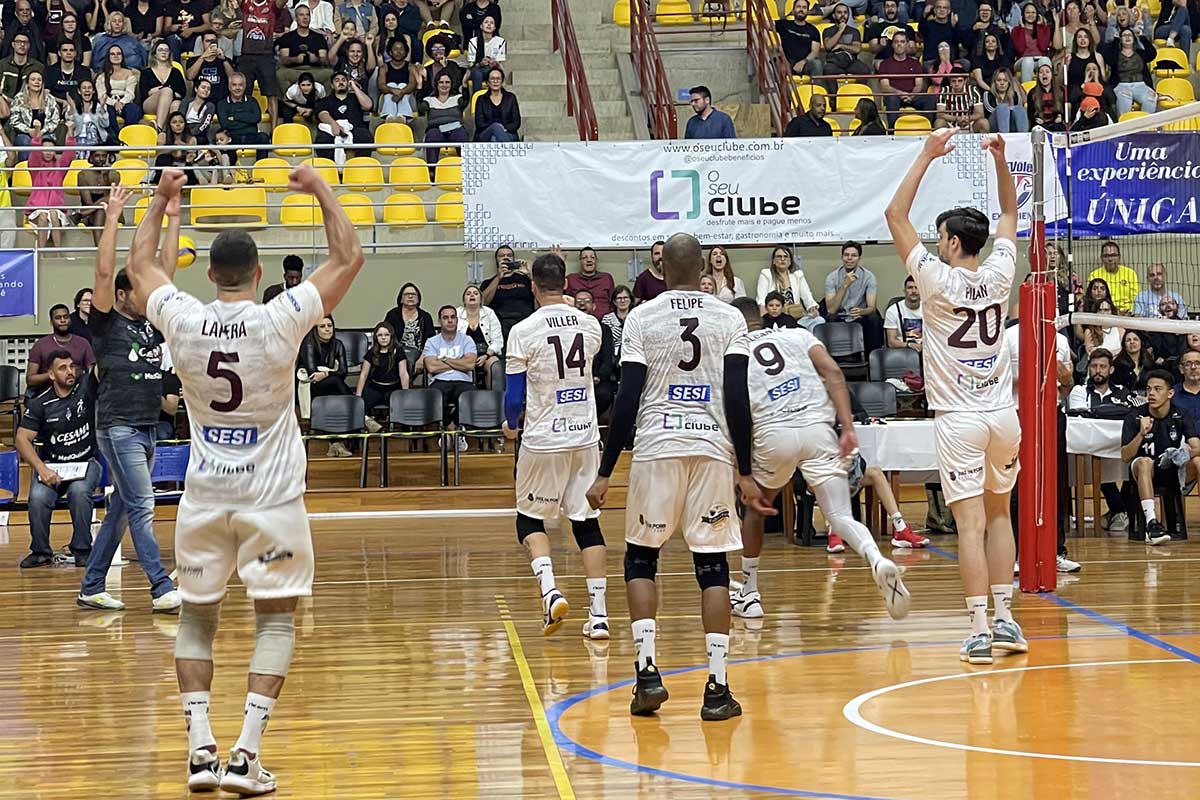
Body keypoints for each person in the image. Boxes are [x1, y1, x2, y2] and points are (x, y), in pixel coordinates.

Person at [124, 164, 364, 795]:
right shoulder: (281, 317)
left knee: (196, 623)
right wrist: (317, 188)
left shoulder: (181, 317)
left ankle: (201, 750)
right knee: (276, 623)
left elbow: (140, 268)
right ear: (259, 273)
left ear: (209, 273)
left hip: (204, 497)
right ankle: (245, 755)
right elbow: (350, 255)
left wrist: (162, 199)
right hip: (272, 500)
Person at [586, 232, 772, 722]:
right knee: (712, 566)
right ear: (702, 270)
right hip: (711, 450)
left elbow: (626, 400)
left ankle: (647, 672)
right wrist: (746, 470)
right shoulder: (729, 316)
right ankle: (717, 688)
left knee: (641, 559)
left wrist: (606, 471)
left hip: (656, 448)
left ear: (661, 268)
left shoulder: (641, 317)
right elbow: (738, 398)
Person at [885, 128, 1023, 666]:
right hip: (1002, 416)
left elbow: (894, 216)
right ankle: (1007, 618)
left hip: (960, 419)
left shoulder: (936, 279)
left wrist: (925, 154)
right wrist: (1000, 160)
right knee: (999, 517)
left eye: (939, 234)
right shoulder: (1000, 269)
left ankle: (979, 629)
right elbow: (1010, 216)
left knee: (968, 524)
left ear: (949, 242)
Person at [726, 296, 912, 621]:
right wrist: (849, 428)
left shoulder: (734, 353)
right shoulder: (795, 334)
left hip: (773, 433)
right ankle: (877, 559)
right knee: (840, 516)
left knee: (755, 507)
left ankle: (750, 593)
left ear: (735, 324)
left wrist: (740, 465)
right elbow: (834, 373)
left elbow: (736, 408)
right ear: (760, 316)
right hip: (817, 427)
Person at [76, 184, 180, 615]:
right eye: (140, 288)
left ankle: (93, 583)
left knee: (121, 506)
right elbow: (103, 272)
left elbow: (168, 272)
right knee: (141, 503)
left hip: (147, 425)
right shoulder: (104, 323)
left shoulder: (152, 320)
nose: (150, 292)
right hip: (117, 426)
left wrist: (173, 217)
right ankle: (160, 586)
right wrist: (114, 215)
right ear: (122, 295)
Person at [502, 251, 609, 638]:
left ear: (532, 286)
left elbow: (514, 397)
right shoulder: (592, 325)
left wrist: (511, 424)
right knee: (586, 523)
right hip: (584, 435)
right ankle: (599, 616)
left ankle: (549, 592)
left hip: (544, 436)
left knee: (529, 518)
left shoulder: (523, 330)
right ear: (567, 283)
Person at [16, 349, 102, 569]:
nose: (70, 371)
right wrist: (41, 470)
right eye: (62, 368)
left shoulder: (86, 387)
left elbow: (102, 365)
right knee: (37, 497)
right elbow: (22, 439)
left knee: (79, 492)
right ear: (51, 374)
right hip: (52, 466)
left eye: (72, 366)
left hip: (85, 462)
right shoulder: (39, 403)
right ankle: (40, 551)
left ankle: (82, 549)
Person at [1121, 370, 1199, 546]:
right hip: (1145, 473)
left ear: (1170, 393)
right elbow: (1125, 456)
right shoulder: (1135, 416)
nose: (1151, 394)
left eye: (1157, 389)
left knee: (1198, 461)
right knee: (1144, 461)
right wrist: (1141, 434)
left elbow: (1197, 447)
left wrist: (1181, 454)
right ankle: (1152, 524)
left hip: (1173, 470)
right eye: (1148, 389)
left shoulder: (1181, 414)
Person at [1066, 348, 1132, 533]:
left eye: (1102, 366)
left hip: (1119, 442)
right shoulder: (1079, 391)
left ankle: (1117, 512)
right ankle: (1120, 510)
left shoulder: (1123, 391)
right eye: (1094, 366)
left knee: (1133, 463)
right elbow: (1082, 418)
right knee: (1098, 462)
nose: (1098, 370)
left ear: (1110, 370)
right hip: (1090, 448)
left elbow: (1135, 410)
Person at [422, 306, 477, 426]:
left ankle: (456, 428)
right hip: (439, 381)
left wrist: (444, 359)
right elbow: (432, 367)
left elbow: (470, 364)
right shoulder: (431, 342)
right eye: (445, 318)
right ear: (440, 321)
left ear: (457, 320)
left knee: (471, 396)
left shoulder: (467, 340)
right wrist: (459, 362)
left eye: (453, 317)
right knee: (432, 396)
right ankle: (448, 427)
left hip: (463, 381)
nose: (450, 320)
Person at [824, 241, 883, 351]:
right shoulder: (832, 277)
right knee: (829, 318)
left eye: (854, 255)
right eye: (846, 255)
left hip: (859, 317)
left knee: (874, 319)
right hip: (839, 316)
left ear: (859, 258)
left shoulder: (869, 277)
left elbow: (871, 308)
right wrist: (844, 286)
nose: (849, 258)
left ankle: (871, 357)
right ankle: (837, 357)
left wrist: (862, 311)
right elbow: (831, 309)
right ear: (842, 257)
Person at [26, 304, 94, 394]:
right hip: (47, 393)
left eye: (66, 317)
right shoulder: (40, 345)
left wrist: (76, 374)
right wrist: (56, 375)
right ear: (51, 322)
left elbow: (91, 374)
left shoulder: (83, 343)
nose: (63, 320)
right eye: (58, 318)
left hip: (77, 393)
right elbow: (30, 380)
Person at [356, 322, 410, 422]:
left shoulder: (398, 351)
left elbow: (403, 373)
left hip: (393, 389)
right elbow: (363, 374)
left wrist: (405, 393)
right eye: (380, 335)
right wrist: (358, 395)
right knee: (361, 407)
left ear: (391, 336)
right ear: (376, 337)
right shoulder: (371, 352)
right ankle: (372, 427)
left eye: (386, 335)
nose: (383, 338)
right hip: (375, 388)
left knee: (400, 407)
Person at [756, 246, 820, 329]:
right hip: (776, 319)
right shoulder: (766, 274)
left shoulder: (797, 275)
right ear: (774, 261)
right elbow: (761, 301)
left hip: (796, 317)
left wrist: (812, 308)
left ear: (790, 261)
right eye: (779, 256)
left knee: (819, 320)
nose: (783, 259)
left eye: (786, 257)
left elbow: (807, 297)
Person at [480, 245, 534, 343]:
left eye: (509, 255)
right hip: (500, 326)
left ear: (513, 258)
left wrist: (529, 276)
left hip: (525, 323)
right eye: (501, 256)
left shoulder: (525, 279)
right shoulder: (488, 283)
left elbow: (542, 297)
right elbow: (482, 303)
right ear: (496, 260)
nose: (506, 257)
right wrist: (499, 277)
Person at [457, 284, 503, 389]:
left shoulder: (489, 313)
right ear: (464, 300)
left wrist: (486, 356)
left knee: (494, 366)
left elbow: (497, 341)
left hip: (486, 354)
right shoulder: (457, 313)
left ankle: (495, 399)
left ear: (481, 299)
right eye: (468, 294)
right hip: (464, 355)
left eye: (475, 293)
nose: (472, 295)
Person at [1087, 240, 1138, 313]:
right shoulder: (1094, 275)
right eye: (1107, 256)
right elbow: (1092, 299)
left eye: (1113, 255)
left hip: (1127, 315)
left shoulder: (1130, 273)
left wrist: (1130, 312)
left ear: (1119, 257)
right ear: (1101, 258)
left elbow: (1135, 299)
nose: (1110, 259)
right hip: (1104, 313)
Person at [474, 66, 520, 142]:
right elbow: (480, 124)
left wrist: (503, 128)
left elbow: (516, 122)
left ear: (502, 81)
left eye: (498, 79)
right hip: (485, 133)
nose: (495, 81)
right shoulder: (481, 99)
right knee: (495, 128)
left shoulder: (510, 97)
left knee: (494, 139)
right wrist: (495, 127)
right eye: (492, 79)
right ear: (488, 82)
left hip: (508, 132)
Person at [566, 247, 614, 318]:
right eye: (585, 258)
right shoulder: (571, 279)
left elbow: (613, 302)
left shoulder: (607, 278)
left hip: (604, 321)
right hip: (578, 320)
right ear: (580, 261)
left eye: (592, 257)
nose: (589, 260)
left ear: (596, 261)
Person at [883, 275, 923, 350]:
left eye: (917, 287)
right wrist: (909, 345)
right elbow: (891, 342)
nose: (914, 291)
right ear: (904, 290)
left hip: (926, 350)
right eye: (910, 288)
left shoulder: (929, 309)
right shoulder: (893, 310)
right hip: (902, 351)